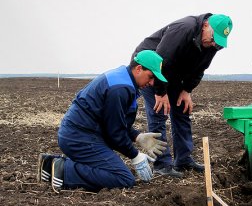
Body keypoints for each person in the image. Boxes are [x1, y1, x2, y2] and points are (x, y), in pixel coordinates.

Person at [37, 50, 169, 193]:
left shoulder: (122, 78)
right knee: (123, 178)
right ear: (138, 69)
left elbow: (113, 120)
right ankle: (64, 170)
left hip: (78, 133)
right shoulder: (121, 89)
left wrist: (137, 136)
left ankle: (49, 164)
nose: (151, 83)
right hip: (79, 137)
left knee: (111, 170)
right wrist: (135, 156)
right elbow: (114, 133)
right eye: (150, 76)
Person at [131, 13, 233, 178]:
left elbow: (200, 68)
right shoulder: (183, 29)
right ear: (205, 25)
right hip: (151, 69)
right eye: (214, 38)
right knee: (160, 111)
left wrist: (186, 90)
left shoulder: (212, 44)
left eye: (219, 43)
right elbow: (161, 61)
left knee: (182, 110)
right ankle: (162, 164)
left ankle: (183, 160)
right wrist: (160, 92)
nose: (214, 44)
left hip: (174, 73)